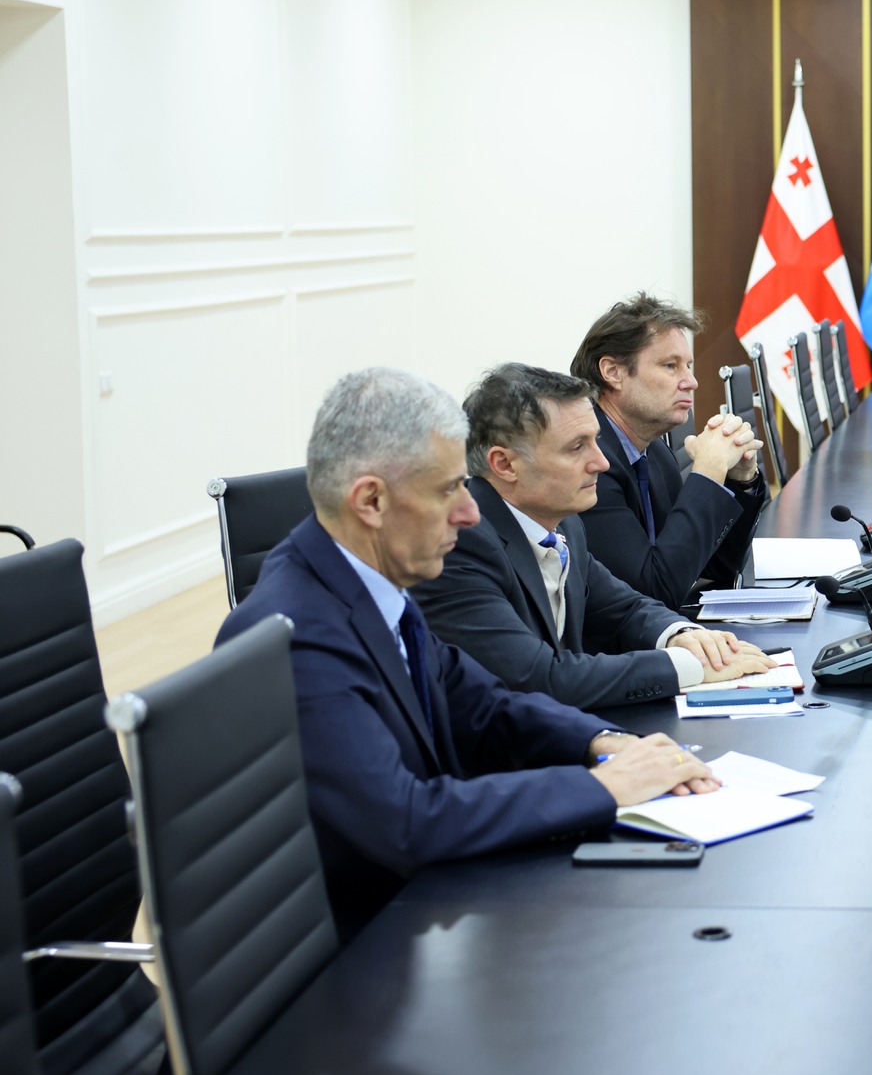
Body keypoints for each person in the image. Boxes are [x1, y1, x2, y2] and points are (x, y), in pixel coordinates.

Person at [215, 368, 722, 938]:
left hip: (421, 905)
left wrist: (603, 742)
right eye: (447, 490)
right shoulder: (301, 635)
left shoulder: (367, 582)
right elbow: (405, 821)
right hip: (358, 947)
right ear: (371, 501)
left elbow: (481, 703)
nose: (470, 511)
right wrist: (602, 788)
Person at [415, 364, 775, 709]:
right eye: (577, 447)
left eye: (596, 441)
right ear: (505, 464)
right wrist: (689, 666)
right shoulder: (460, 544)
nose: (601, 462)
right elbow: (540, 678)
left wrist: (682, 635)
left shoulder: (565, 523)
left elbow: (625, 608)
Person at [570, 294, 769, 609]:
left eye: (688, 366)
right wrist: (707, 473)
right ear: (613, 372)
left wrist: (739, 481)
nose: (691, 382)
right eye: (670, 366)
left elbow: (714, 568)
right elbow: (651, 590)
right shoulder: (590, 465)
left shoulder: (656, 452)